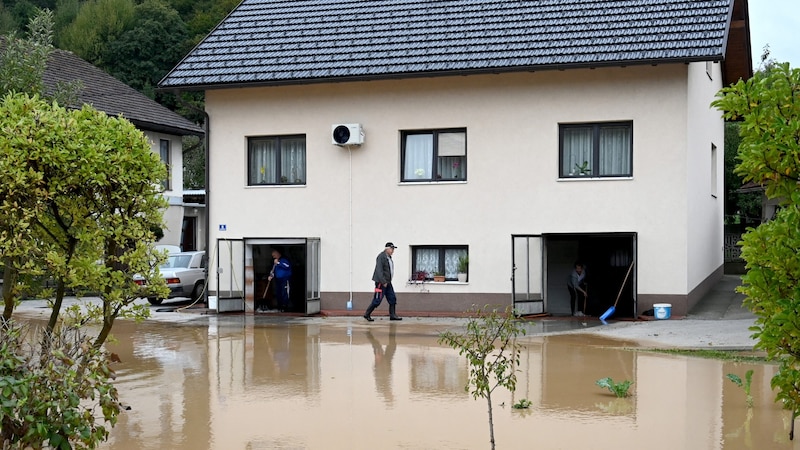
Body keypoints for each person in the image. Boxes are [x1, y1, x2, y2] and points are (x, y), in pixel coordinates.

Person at [364, 242, 402, 321]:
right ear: (387, 249)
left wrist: (387, 281)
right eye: (392, 249)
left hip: (388, 282)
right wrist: (383, 281)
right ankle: (367, 314)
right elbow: (379, 270)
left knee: (392, 298)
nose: (393, 251)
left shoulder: (389, 257)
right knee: (377, 300)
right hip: (381, 283)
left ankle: (393, 315)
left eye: (393, 249)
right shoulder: (381, 257)